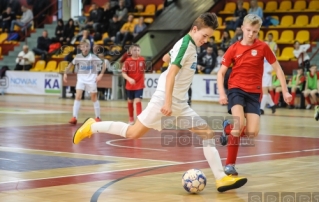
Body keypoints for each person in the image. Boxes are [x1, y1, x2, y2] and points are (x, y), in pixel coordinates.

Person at [72, 12, 248, 193]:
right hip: (166, 99)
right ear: (194, 29)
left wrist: (170, 57)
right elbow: (171, 74)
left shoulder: (188, 44)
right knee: (133, 132)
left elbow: (166, 59)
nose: (206, 40)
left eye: (209, 37)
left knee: (207, 133)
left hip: (180, 103)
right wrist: (168, 103)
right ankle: (91, 126)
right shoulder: (186, 45)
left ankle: (221, 179)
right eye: (204, 36)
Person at [217, 14, 292, 175]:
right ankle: (230, 165)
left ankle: (227, 128)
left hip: (254, 92)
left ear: (258, 31)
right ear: (243, 28)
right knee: (240, 126)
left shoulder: (263, 47)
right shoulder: (234, 48)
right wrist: (222, 93)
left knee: (252, 132)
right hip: (236, 89)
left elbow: (278, 69)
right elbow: (221, 73)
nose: (251, 34)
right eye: (249, 30)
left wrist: (285, 91)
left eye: (255, 31)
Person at [63, 39, 107, 124]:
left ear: (89, 47)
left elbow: (105, 63)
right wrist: (65, 73)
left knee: (93, 98)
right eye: (83, 46)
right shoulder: (78, 56)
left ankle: (98, 117)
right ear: (80, 47)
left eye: (87, 46)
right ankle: (74, 117)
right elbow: (71, 63)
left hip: (91, 80)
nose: (85, 48)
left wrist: (101, 75)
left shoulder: (93, 57)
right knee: (78, 96)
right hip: (81, 80)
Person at [122, 44, 145, 124]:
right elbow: (124, 73)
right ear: (131, 51)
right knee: (130, 101)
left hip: (139, 85)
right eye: (134, 50)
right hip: (130, 85)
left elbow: (143, 71)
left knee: (138, 100)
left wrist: (142, 81)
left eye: (138, 50)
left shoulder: (142, 60)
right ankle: (131, 118)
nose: (136, 52)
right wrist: (129, 79)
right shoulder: (127, 61)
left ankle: (139, 119)